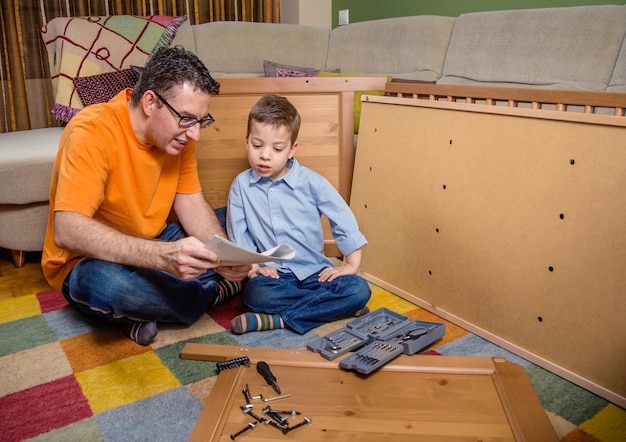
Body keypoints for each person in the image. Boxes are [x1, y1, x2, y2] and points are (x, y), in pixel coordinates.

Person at [41, 46, 250, 346]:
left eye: (201, 121)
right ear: (150, 102)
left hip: (156, 241)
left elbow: (190, 202)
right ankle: (215, 291)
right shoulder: (91, 131)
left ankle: (143, 311)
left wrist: (226, 256)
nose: (195, 135)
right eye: (188, 119)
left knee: (234, 217)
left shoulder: (180, 138)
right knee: (104, 286)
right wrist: (163, 258)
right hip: (90, 261)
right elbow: (68, 229)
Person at [227, 94, 371, 335]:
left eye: (277, 148)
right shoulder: (241, 186)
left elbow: (342, 217)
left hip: (316, 272)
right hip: (274, 276)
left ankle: (281, 320)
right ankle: (333, 308)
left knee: (358, 289)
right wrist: (253, 267)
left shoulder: (311, 182)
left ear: (292, 149)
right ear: (246, 142)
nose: (265, 155)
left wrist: (351, 264)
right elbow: (239, 234)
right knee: (255, 295)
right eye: (257, 145)